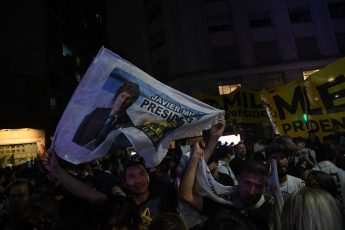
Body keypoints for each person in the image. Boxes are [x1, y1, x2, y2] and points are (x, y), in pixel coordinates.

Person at [178, 141, 272, 230]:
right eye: (247, 183)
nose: (251, 192)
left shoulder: (273, 213)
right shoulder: (223, 201)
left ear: (265, 188)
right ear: (239, 180)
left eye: (259, 186)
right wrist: (195, 158)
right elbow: (186, 195)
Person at [72, 81, 140, 150]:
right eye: (122, 96)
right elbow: (79, 132)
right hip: (79, 151)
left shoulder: (127, 124)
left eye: (128, 99)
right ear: (117, 96)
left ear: (131, 103)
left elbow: (122, 145)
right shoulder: (97, 112)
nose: (122, 101)